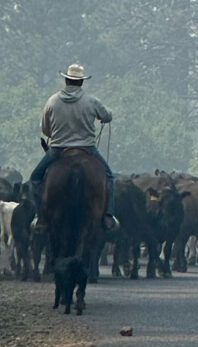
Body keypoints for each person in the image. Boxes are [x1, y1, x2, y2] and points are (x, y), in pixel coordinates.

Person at [30, 62, 117, 231]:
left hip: (58, 150)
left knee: (35, 178)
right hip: (87, 148)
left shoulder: (52, 101)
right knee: (109, 177)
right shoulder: (92, 101)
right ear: (81, 82)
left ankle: (40, 216)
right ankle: (108, 215)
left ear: (66, 81)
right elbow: (107, 116)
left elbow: (45, 130)